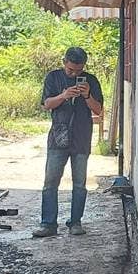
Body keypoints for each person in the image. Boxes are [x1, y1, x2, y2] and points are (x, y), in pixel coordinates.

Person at [33, 46, 103, 238]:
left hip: (81, 137)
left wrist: (87, 95)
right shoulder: (53, 77)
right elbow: (46, 104)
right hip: (58, 136)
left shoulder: (91, 81)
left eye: (78, 71)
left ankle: (75, 222)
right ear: (64, 62)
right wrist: (63, 96)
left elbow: (98, 110)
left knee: (79, 183)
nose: (74, 74)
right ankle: (48, 223)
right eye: (71, 70)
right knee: (50, 183)